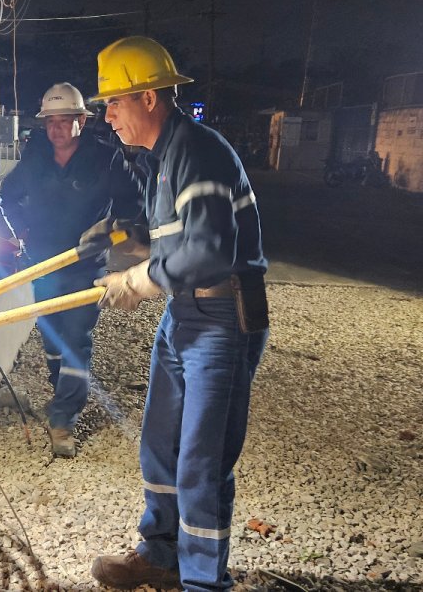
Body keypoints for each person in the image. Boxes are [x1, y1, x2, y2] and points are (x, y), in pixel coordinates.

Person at [83, 37, 269, 591]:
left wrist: (138, 280)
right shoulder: (162, 157)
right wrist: (128, 237)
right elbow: (177, 241)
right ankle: (161, 555)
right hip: (184, 317)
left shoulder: (196, 149)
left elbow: (210, 249)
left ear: (147, 98)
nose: (108, 115)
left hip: (221, 318)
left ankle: (204, 583)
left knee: (200, 463)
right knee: (160, 445)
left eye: (113, 102)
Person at [0, 82, 143, 458]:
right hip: (42, 263)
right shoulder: (36, 156)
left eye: (64, 121)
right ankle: (60, 392)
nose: (56, 129)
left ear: (82, 120)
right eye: (50, 122)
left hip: (85, 266)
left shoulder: (106, 159)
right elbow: (7, 195)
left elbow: (136, 205)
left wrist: (112, 231)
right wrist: (19, 232)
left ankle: (63, 418)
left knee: (76, 339)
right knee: (51, 341)